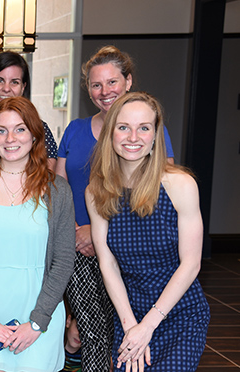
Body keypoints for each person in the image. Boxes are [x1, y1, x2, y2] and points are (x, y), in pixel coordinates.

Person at [55, 45, 175, 372]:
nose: (104, 91)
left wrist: (103, 235)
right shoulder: (75, 130)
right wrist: (80, 232)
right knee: (95, 332)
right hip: (80, 246)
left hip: (133, 252)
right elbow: (59, 189)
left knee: (129, 330)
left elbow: (160, 197)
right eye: (96, 84)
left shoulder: (152, 131)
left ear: (128, 82)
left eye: (112, 82)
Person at [87, 92, 209, 372]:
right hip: (129, 312)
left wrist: (149, 325)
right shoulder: (96, 193)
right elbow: (108, 264)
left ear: (156, 136)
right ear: (110, 134)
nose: (133, 137)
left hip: (179, 312)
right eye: (123, 127)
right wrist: (131, 326)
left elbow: (191, 264)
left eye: (144, 127)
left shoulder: (180, 185)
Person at [0, 96, 75, 372]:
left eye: (20, 129)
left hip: (39, 313)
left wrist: (37, 322)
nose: (10, 138)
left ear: (34, 134)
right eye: (1, 130)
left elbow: (64, 261)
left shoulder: (58, 190)